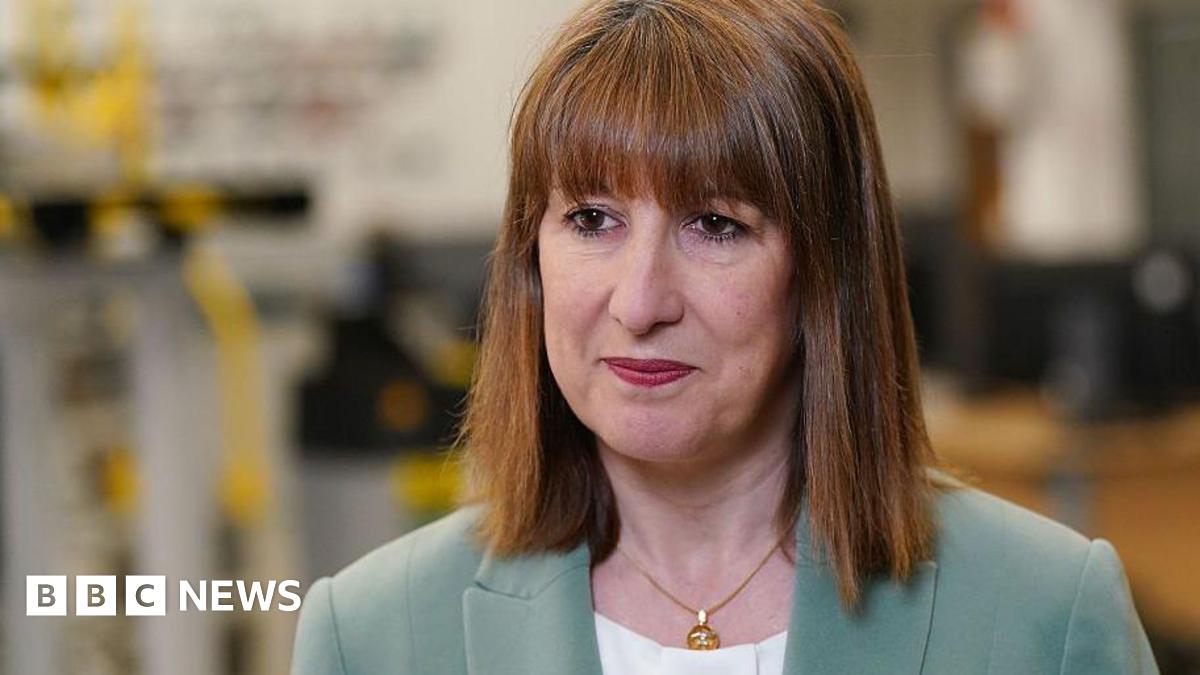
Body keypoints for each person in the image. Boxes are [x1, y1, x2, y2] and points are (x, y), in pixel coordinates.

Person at [290, 0, 1159, 673]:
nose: (639, 302)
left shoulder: (1045, 612)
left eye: (715, 224)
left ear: (826, 270)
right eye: (591, 218)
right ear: (531, 256)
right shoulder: (371, 635)